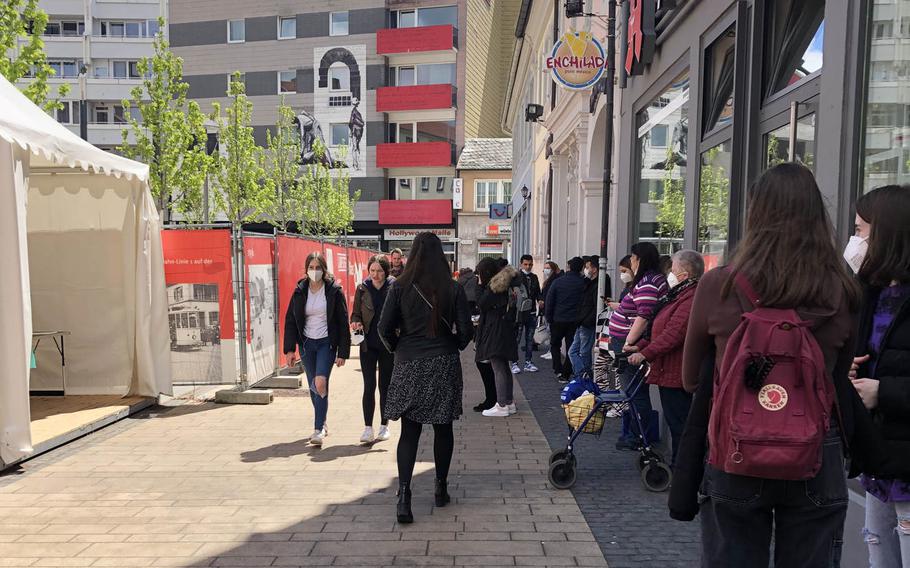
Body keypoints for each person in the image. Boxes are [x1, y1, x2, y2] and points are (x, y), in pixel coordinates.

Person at [681, 163, 872, 566]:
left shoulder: (720, 285)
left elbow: (690, 379)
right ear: (816, 216)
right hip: (816, 449)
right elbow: (838, 379)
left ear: (754, 214)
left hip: (736, 445)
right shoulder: (842, 289)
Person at [377, 232, 472, 524]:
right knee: (443, 428)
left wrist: (399, 350)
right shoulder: (453, 288)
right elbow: (467, 332)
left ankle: (404, 495)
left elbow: (383, 328)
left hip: (409, 363)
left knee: (410, 432)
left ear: (412, 254)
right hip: (443, 362)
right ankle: (440, 488)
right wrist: (452, 345)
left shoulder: (399, 287)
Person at [848, 185, 910, 568]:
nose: (855, 241)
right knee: (878, 552)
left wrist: (883, 391)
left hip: (904, 461)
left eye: (860, 230)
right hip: (879, 454)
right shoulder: (870, 292)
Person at [625, 250, 704, 465]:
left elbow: (673, 334)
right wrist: (640, 346)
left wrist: (645, 353)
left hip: (676, 371)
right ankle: (679, 465)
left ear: (684, 274)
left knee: (679, 423)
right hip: (667, 368)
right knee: (675, 420)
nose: (669, 273)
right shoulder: (678, 295)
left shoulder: (690, 299)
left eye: (673, 270)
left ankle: (681, 468)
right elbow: (661, 330)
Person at [283, 252, 351, 446]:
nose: (314, 271)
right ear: (306, 270)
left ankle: (318, 429)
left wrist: (343, 352)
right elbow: (290, 321)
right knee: (314, 386)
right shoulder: (299, 291)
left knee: (321, 383)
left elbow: (342, 321)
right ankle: (322, 421)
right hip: (306, 344)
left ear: (324, 269)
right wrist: (289, 349)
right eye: (311, 268)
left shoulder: (334, 291)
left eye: (318, 267)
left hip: (326, 343)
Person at [611, 242, 667, 450]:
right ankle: (638, 433)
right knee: (634, 390)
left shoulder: (648, 283)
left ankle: (638, 436)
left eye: (632, 258)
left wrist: (628, 342)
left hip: (630, 342)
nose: (631, 261)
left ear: (640, 259)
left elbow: (644, 316)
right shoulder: (648, 281)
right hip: (629, 340)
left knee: (634, 391)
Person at [351, 255, 394, 444]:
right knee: (369, 386)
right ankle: (368, 427)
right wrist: (355, 322)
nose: (375, 275)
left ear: (386, 271)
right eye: (372, 271)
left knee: (385, 386)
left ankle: (384, 426)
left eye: (379, 271)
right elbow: (355, 314)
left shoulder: (394, 286)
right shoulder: (362, 288)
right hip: (368, 344)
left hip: (387, 344)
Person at [474, 258, 520, 417]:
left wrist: (479, 285)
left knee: (498, 367)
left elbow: (481, 303)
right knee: (505, 367)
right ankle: (509, 402)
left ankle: (501, 405)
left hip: (496, 330)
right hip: (505, 328)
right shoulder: (506, 283)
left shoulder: (494, 287)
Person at [545, 257, 587, 383]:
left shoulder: (558, 282)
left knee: (555, 345)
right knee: (571, 347)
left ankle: (557, 369)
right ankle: (566, 372)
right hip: (574, 321)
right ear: (581, 268)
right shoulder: (583, 283)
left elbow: (550, 301)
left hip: (557, 319)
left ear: (568, 267)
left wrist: (549, 317)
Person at [569, 255, 609, 380]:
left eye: (587, 267)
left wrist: (586, 321)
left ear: (594, 269)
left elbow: (597, 306)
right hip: (582, 322)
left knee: (584, 352)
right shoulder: (589, 282)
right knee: (573, 351)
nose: (585, 270)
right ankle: (582, 376)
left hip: (587, 323)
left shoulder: (600, 284)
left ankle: (584, 378)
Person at [512, 254, 542, 374]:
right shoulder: (516, 277)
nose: (528, 267)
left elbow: (538, 292)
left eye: (530, 264)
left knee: (529, 338)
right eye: (526, 264)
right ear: (521, 264)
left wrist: (540, 299)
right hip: (520, 312)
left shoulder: (534, 277)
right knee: (517, 338)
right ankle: (514, 362)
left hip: (531, 311)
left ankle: (528, 362)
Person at [539, 261, 562, 361]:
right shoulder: (548, 280)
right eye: (545, 268)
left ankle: (552, 351)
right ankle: (550, 351)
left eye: (548, 268)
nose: (546, 270)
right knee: (549, 332)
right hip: (546, 309)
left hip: (551, 311)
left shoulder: (555, 280)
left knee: (551, 332)